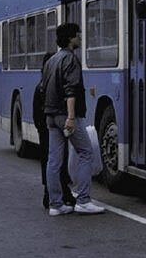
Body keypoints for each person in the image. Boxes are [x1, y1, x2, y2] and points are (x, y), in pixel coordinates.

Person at [41, 23, 105, 216]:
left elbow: (44, 88)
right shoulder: (70, 59)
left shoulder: (51, 60)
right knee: (86, 153)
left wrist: (49, 115)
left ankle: (55, 204)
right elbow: (71, 90)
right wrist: (70, 117)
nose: (80, 38)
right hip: (66, 116)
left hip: (51, 116)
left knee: (54, 161)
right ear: (70, 38)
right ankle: (84, 200)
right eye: (78, 35)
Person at [33, 53, 75, 210]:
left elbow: (37, 115)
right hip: (50, 131)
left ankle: (51, 194)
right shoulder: (48, 86)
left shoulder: (41, 86)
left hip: (46, 130)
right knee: (57, 163)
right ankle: (55, 195)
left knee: (51, 163)